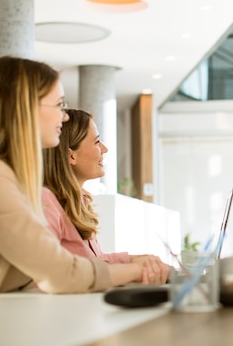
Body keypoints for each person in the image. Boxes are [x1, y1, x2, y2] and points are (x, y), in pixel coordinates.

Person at [0, 56, 166, 299]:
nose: (64, 116)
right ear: (25, 108)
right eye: (58, 105)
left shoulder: (9, 178)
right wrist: (135, 270)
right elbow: (62, 273)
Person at [42, 109, 169, 277]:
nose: (105, 148)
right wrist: (132, 268)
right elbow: (55, 272)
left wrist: (134, 260)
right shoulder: (47, 205)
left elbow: (92, 262)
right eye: (96, 142)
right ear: (71, 155)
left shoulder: (79, 202)